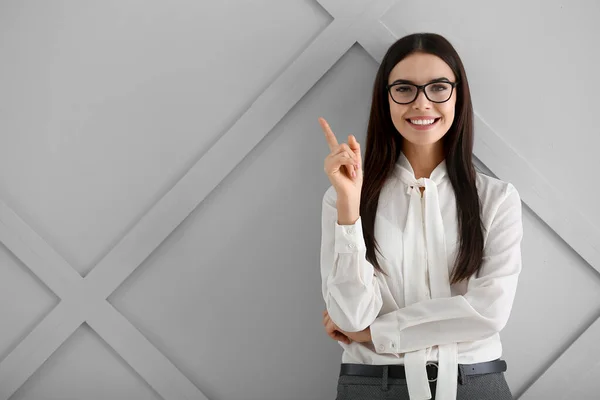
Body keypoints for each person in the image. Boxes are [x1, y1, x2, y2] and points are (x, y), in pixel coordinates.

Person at [319, 32, 522, 400]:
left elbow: (488, 312)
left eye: (438, 87)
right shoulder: (344, 200)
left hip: (475, 384)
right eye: (405, 89)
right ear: (386, 99)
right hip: (371, 385)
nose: (422, 103)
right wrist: (350, 208)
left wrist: (379, 333)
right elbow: (349, 319)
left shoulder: (497, 199)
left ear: (458, 96)